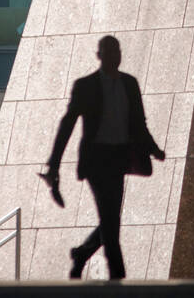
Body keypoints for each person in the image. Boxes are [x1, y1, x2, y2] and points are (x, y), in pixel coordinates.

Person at [41, 35, 165, 280]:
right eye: (109, 51)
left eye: (117, 51)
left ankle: (81, 254)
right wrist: (54, 164)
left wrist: (153, 148)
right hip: (96, 162)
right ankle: (118, 279)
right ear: (99, 56)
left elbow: (139, 123)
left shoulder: (130, 84)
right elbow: (67, 125)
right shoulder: (85, 86)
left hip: (119, 159)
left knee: (110, 220)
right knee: (110, 222)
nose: (114, 56)